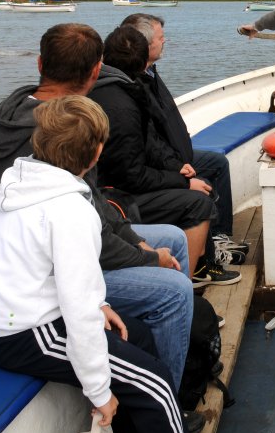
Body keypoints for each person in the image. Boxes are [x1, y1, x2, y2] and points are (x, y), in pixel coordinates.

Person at [0, 23, 199, 412]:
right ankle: (167, 401)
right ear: (96, 72)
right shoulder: (65, 127)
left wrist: (137, 242)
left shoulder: (12, 112)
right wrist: (147, 257)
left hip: (31, 254)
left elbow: (94, 206)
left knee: (173, 240)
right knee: (174, 292)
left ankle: (169, 347)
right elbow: (83, 232)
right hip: (40, 277)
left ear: (40, 62)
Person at [0, 96, 197, 433]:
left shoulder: (20, 181)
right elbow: (77, 311)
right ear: (95, 154)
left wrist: (100, 305)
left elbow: (57, 274)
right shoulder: (69, 210)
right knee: (157, 386)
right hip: (22, 332)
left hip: (16, 315)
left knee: (138, 335)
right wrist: (100, 392)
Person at [89, 25, 239, 288]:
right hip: (119, 197)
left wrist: (176, 167)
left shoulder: (125, 89)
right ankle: (183, 287)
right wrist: (180, 181)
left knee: (206, 174)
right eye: (160, 38)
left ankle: (208, 256)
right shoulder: (123, 106)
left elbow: (149, 146)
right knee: (199, 202)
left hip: (131, 181)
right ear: (142, 60)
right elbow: (131, 175)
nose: (164, 41)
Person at [121, 13, 248, 266]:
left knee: (217, 163)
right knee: (200, 184)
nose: (165, 41)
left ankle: (220, 236)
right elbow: (150, 140)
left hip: (176, 154)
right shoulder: (136, 83)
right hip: (165, 162)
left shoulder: (150, 73)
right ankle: (207, 261)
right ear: (144, 44)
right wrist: (178, 169)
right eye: (160, 37)